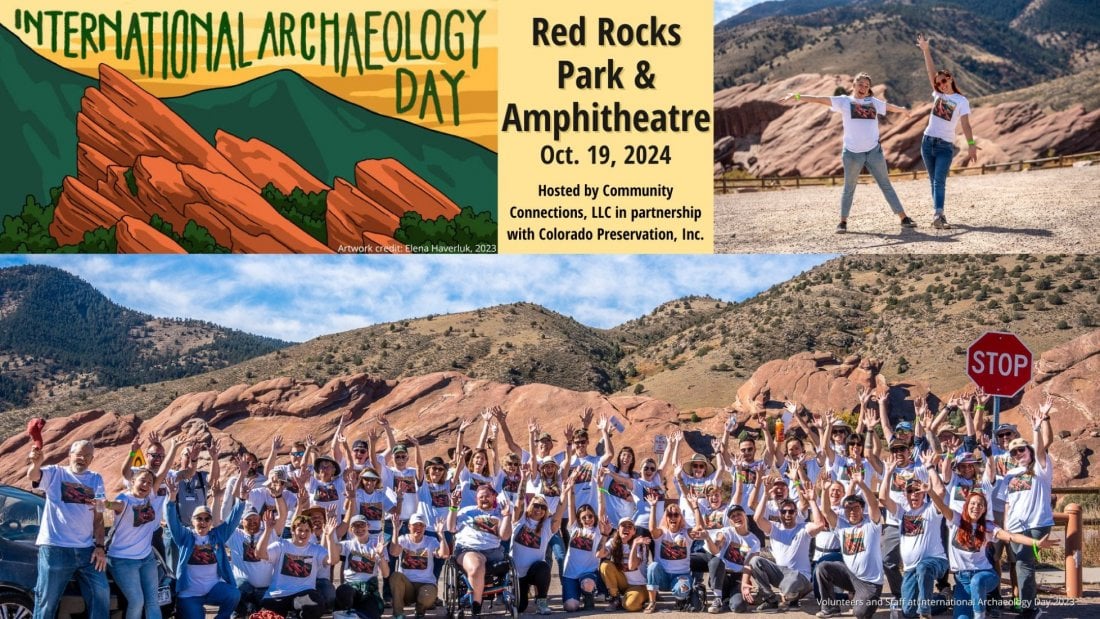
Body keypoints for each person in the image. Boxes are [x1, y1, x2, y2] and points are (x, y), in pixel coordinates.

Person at [781, 73, 916, 233]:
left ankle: (903, 218)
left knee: (886, 185)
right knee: (849, 188)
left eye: (867, 86)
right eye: (861, 84)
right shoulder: (844, 101)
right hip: (852, 154)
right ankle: (843, 222)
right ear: (854, 85)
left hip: (874, 152)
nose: (863, 88)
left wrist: (902, 110)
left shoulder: (873, 102)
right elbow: (819, 99)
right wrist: (796, 96)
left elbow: (888, 107)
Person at [924, 459, 1054, 619]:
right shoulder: (956, 520)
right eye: (972, 504)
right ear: (966, 506)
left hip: (985, 575)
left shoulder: (988, 526)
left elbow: (1011, 536)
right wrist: (930, 492)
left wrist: (1035, 542)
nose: (975, 507)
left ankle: (981, 616)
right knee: (962, 617)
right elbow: (942, 507)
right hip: (962, 579)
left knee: (977, 582)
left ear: (984, 509)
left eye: (980, 505)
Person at [27, 439, 110, 619]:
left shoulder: (96, 479)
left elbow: (99, 515)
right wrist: (35, 464)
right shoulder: (55, 473)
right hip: (56, 548)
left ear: (91, 459)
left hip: (87, 550)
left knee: (101, 594)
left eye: (87, 456)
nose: (82, 458)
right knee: (47, 601)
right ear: (70, 455)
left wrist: (100, 546)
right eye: (79, 454)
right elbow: (34, 476)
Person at [165, 458, 251, 619]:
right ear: (192, 521)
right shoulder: (185, 537)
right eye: (199, 518)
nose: (203, 522)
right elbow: (171, 521)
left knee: (233, 594)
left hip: (214, 590)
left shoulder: (217, 535)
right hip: (189, 594)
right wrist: (171, 499)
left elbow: (233, 519)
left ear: (211, 522)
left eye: (206, 519)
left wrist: (242, 500)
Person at [916, 33, 979, 229]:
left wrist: (971, 145)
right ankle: (939, 215)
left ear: (951, 78)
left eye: (944, 80)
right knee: (933, 181)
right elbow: (930, 71)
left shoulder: (962, 101)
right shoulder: (937, 93)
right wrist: (926, 50)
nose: (942, 84)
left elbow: (966, 125)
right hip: (927, 142)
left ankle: (938, 214)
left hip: (944, 146)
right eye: (939, 82)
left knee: (939, 181)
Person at [105, 451, 177, 619]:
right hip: (122, 560)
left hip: (146, 558)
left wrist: (174, 447)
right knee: (137, 601)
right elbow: (113, 504)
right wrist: (104, 504)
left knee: (152, 601)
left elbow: (164, 470)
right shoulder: (125, 499)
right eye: (142, 480)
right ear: (133, 482)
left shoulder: (150, 497)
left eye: (149, 482)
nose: (146, 484)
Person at [1002, 399, 1056, 619]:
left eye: (1021, 450)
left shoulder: (1041, 468)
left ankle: (1029, 608)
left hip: (1037, 524)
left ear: (1029, 451)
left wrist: (1036, 426)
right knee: (1022, 565)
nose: (1018, 454)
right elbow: (1008, 502)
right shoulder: (1010, 475)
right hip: (1014, 528)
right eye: (1014, 453)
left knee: (1024, 563)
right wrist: (1005, 527)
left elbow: (1041, 448)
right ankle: (1029, 605)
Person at [880, 456, 948, 619]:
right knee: (908, 612)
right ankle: (942, 601)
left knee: (923, 568)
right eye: (910, 491)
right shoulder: (902, 512)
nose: (914, 494)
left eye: (917, 490)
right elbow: (883, 498)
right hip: (911, 568)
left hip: (935, 561)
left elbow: (941, 491)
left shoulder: (931, 509)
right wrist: (888, 472)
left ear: (923, 493)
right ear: (905, 494)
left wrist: (930, 467)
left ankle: (925, 612)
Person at [750, 476, 826, 612]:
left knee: (792, 582)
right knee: (755, 561)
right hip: (780, 573)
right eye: (784, 511)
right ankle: (770, 599)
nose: (787, 514)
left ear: (796, 513)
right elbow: (757, 518)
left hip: (799, 575)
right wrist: (766, 495)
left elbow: (820, 524)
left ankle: (796, 593)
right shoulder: (774, 527)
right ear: (779, 514)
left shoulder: (804, 528)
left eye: (791, 511)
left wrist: (812, 500)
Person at [814, 471, 883, 619]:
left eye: (856, 507)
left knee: (860, 614)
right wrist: (825, 489)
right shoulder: (842, 525)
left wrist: (861, 483)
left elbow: (873, 504)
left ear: (862, 509)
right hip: (850, 576)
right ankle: (830, 608)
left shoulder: (872, 524)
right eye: (848, 508)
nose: (852, 511)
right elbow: (826, 511)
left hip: (870, 583)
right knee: (823, 568)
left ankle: (867, 600)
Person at [448, 483, 513, 617]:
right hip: (468, 549)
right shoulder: (466, 511)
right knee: (477, 565)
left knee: (481, 563)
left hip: (493, 552)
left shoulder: (499, 514)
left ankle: (472, 594)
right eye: (480, 497)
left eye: (487, 496)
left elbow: (505, 536)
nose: (484, 499)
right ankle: (476, 607)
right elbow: (451, 528)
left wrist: (507, 516)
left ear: (494, 496)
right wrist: (453, 507)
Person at [260, 511, 340, 619]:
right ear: (293, 530)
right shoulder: (281, 545)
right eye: (300, 530)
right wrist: (268, 530)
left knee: (316, 605)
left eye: (307, 530)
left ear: (311, 532)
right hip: (277, 595)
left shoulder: (316, 549)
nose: (303, 534)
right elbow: (260, 554)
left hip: (303, 594)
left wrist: (329, 536)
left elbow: (333, 560)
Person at [228, 494, 287, 617]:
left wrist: (278, 495)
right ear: (242, 521)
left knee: (270, 613)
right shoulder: (235, 535)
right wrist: (218, 498)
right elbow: (217, 522)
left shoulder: (269, 532)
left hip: (265, 589)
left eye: (255, 519)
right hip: (243, 590)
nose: (252, 522)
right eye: (248, 519)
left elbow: (283, 516)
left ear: (260, 520)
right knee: (239, 593)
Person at [698, 503, 762, 614]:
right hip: (722, 576)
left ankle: (727, 599)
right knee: (716, 560)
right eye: (733, 516)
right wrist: (708, 538)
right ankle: (719, 598)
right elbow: (716, 550)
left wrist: (745, 583)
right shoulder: (726, 532)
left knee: (739, 607)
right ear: (730, 521)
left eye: (739, 514)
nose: (736, 517)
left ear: (745, 515)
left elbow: (750, 565)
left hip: (738, 577)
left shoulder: (755, 540)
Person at [510, 487, 565, 615]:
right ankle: (521, 593)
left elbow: (559, 513)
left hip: (534, 571)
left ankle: (541, 601)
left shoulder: (547, 526)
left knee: (544, 567)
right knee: (520, 608)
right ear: (530, 506)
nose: (539, 509)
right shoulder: (520, 519)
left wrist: (565, 492)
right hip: (517, 574)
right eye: (536, 506)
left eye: (543, 507)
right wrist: (524, 478)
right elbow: (520, 500)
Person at [561, 469, 607, 611]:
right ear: (579, 519)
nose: (588, 519)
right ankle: (576, 596)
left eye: (590, 516)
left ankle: (588, 595)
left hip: (588, 572)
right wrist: (571, 486)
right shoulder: (574, 528)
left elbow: (601, 506)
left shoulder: (598, 530)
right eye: (584, 517)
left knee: (587, 583)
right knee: (570, 607)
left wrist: (600, 487)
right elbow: (571, 505)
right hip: (570, 573)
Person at [389, 513, 449, 619]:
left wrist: (441, 535)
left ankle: (420, 610)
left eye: (421, 525)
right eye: (415, 525)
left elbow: (444, 554)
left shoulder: (430, 541)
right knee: (395, 576)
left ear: (425, 527)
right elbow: (394, 552)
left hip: (426, 583)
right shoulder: (403, 539)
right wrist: (395, 531)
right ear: (409, 527)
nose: (418, 528)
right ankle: (398, 614)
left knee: (426, 596)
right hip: (407, 586)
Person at [644, 492, 693, 613]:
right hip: (663, 577)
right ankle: (652, 602)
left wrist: (695, 507)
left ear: (680, 517)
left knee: (682, 590)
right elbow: (651, 529)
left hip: (681, 575)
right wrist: (653, 507)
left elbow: (699, 528)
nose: (672, 517)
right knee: (652, 566)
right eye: (669, 514)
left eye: (676, 514)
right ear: (666, 517)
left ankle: (679, 599)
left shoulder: (686, 533)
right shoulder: (662, 533)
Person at [333, 513, 389, 618]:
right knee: (342, 590)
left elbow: (386, 574)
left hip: (368, 591)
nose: (359, 528)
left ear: (368, 526)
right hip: (351, 589)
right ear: (350, 529)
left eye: (362, 525)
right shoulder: (347, 544)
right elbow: (331, 549)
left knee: (373, 613)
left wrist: (381, 555)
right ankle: (349, 613)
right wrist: (329, 535)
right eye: (356, 526)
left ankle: (353, 615)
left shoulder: (378, 544)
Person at [599, 516, 651, 613]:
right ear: (618, 529)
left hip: (639, 585)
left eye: (630, 526)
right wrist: (605, 534)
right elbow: (599, 554)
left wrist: (634, 545)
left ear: (634, 531)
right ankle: (615, 598)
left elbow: (632, 566)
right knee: (605, 565)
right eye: (623, 526)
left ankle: (640, 598)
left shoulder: (640, 545)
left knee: (630, 606)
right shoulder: (613, 542)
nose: (626, 528)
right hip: (623, 582)